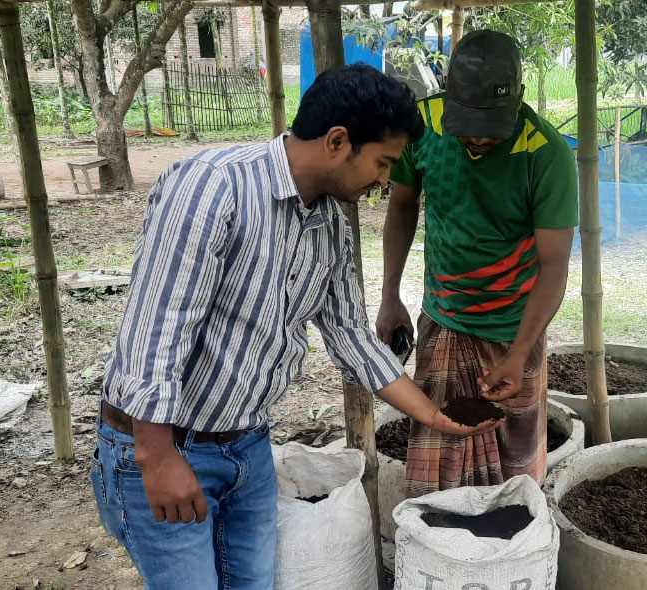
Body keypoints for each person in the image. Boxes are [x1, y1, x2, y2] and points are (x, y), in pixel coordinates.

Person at [91, 64, 501, 590]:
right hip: (165, 441)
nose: (384, 181)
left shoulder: (329, 222)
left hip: (247, 446)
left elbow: (350, 333)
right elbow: (157, 328)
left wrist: (432, 413)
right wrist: (156, 454)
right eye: (382, 163)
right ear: (337, 141)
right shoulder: (214, 187)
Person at [376, 30, 578, 497]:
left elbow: (553, 268)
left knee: (515, 462)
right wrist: (390, 297)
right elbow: (402, 208)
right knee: (436, 456)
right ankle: (441, 544)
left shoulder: (544, 154)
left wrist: (519, 351)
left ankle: (510, 552)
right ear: (449, 97)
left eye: (492, 124)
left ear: (519, 99)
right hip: (441, 318)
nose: (479, 136)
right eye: (466, 122)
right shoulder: (423, 126)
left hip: (513, 326)